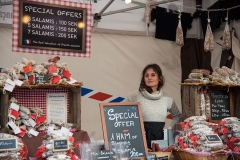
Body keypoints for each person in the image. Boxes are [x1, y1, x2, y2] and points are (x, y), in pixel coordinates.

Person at [125, 63, 182, 149]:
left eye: (153, 75)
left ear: (160, 78)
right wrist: (133, 129)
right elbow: (121, 111)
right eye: (146, 76)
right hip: (140, 140)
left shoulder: (166, 97)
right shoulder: (136, 95)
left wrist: (169, 130)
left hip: (161, 140)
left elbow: (177, 115)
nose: (149, 78)